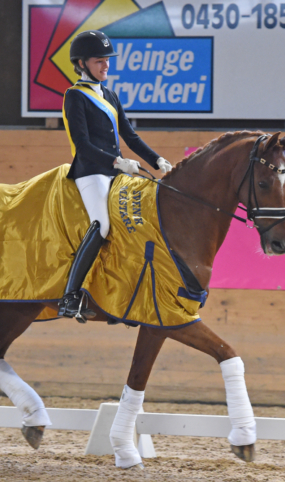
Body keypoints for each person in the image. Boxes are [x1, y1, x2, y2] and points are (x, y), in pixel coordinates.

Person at [58, 30, 172, 321]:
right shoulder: (74, 97)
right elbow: (82, 146)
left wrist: (157, 160)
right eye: (99, 61)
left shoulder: (110, 95)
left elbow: (130, 137)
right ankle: (70, 296)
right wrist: (117, 162)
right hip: (91, 173)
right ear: (82, 64)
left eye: (107, 60)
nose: (106, 66)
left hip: (116, 171)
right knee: (104, 225)